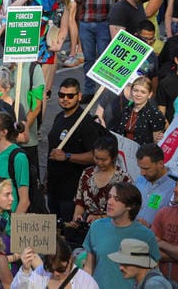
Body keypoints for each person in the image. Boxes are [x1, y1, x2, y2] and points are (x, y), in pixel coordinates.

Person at [83, 182, 160, 287]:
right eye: (109, 197)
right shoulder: (97, 227)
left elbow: (153, 273)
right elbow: (89, 266)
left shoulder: (146, 235)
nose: (110, 202)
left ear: (130, 206)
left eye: (117, 199)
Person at [46, 77, 101, 220]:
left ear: (79, 96)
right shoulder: (58, 117)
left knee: (68, 231)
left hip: (71, 191)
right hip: (54, 187)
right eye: (61, 95)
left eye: (70, 96)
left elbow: (95, 156)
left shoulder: (85, 122)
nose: (65, 99)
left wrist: (67, 156)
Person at [135, 143, 176, 229]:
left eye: (146, 168)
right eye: (140, 167)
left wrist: (150, 227)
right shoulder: (140, 180)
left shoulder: (174, 187)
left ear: (160, 163)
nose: (142, 173)